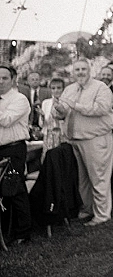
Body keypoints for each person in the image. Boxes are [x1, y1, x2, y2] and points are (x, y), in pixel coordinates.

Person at [53, 59, 113, 226]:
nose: (80, 72)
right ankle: (87, 209)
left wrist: (76, 105)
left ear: (90, 71)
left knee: (99, 178)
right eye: (77, 69)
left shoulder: (101, 88)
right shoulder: (69, 89)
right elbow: (63, 112)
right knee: (82, 180)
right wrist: (58, 110)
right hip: (75, 140)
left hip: (95, 139)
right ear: (73, 72)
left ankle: (102, 215)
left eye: (83, 69)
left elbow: (102, 108)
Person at [0, 65, 33, 245]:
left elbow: (6, 120)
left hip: (13, 150)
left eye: (4, 78)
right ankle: (5, 227)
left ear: (12, 80)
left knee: (15, 188)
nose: (0, 81)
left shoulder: (20, 99)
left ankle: (23, 232)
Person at [38, 78, 66, 160]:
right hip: (49, 135)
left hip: (62, 135)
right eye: (53, 88)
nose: (56, 90)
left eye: (59, 88)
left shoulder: (66, 102)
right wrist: (42, 116)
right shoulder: (46, 103)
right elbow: (41, 124)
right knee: (48, 158)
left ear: (63, 89)